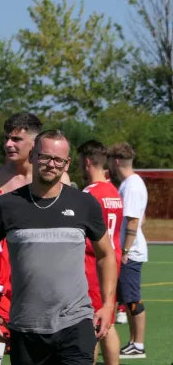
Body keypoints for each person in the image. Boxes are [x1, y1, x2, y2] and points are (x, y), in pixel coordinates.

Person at [0, 129, 118, 365]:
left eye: (58, 160)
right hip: (25, 326)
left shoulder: (84, 203)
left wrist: (108, 304)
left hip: (76, 323)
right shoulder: (6, 205)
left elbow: (106, 255)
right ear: (32, 156)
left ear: (67, 163)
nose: (52, 164)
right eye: (45, 157)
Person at [0, 112, 70, 364]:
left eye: (17, 139)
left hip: (38, 281)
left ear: (34, 143)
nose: (9, 144)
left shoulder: (58, 178)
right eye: (7, 138)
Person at [78, 140, 124, 365]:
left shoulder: (89, 193)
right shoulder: (113, 191)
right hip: (113, 261)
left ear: (86, 162)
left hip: (94, 264)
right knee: (109, 322)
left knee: (92, 324)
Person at [107, 142, 149, 359]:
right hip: (129, 250)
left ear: (115, 162)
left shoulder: (131, 186)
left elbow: (134, 221)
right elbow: (141, 219)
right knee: (127, 298)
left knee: (132, 299)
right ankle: (133, 343)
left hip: (130, 253)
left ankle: (138, 345)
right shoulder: (130, 183)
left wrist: (124, 250)